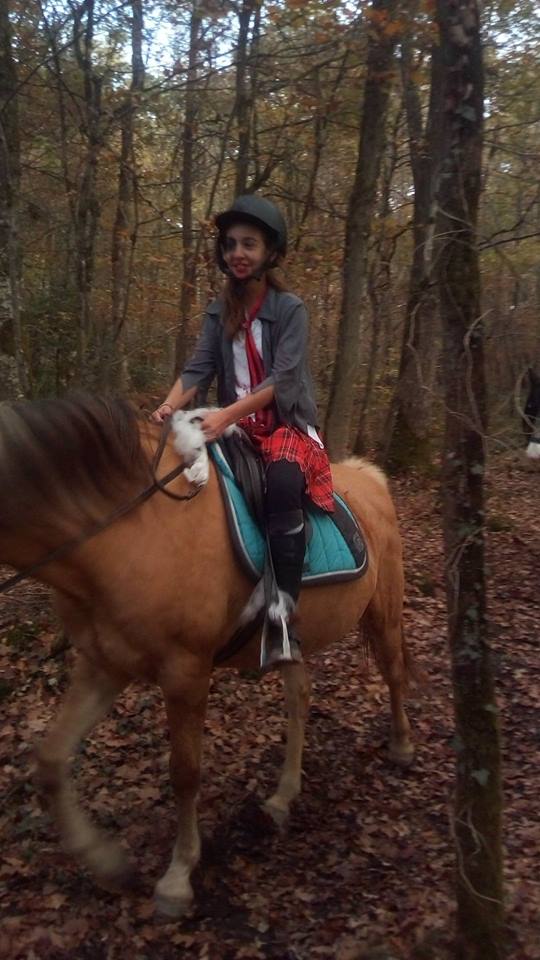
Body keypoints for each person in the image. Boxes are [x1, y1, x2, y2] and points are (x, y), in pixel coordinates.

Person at [152, 194, 334, 670]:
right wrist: (168, 405)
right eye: (231, 244)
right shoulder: (218, 313)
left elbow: (283, 381)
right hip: (234, 424)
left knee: (283, 483)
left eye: (249, 244)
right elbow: (198, 369)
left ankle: (283, 618)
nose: (238, 252)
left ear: (270, 252)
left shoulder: (290, 309)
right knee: (182, 473)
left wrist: (225, 417)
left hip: (284, 424)